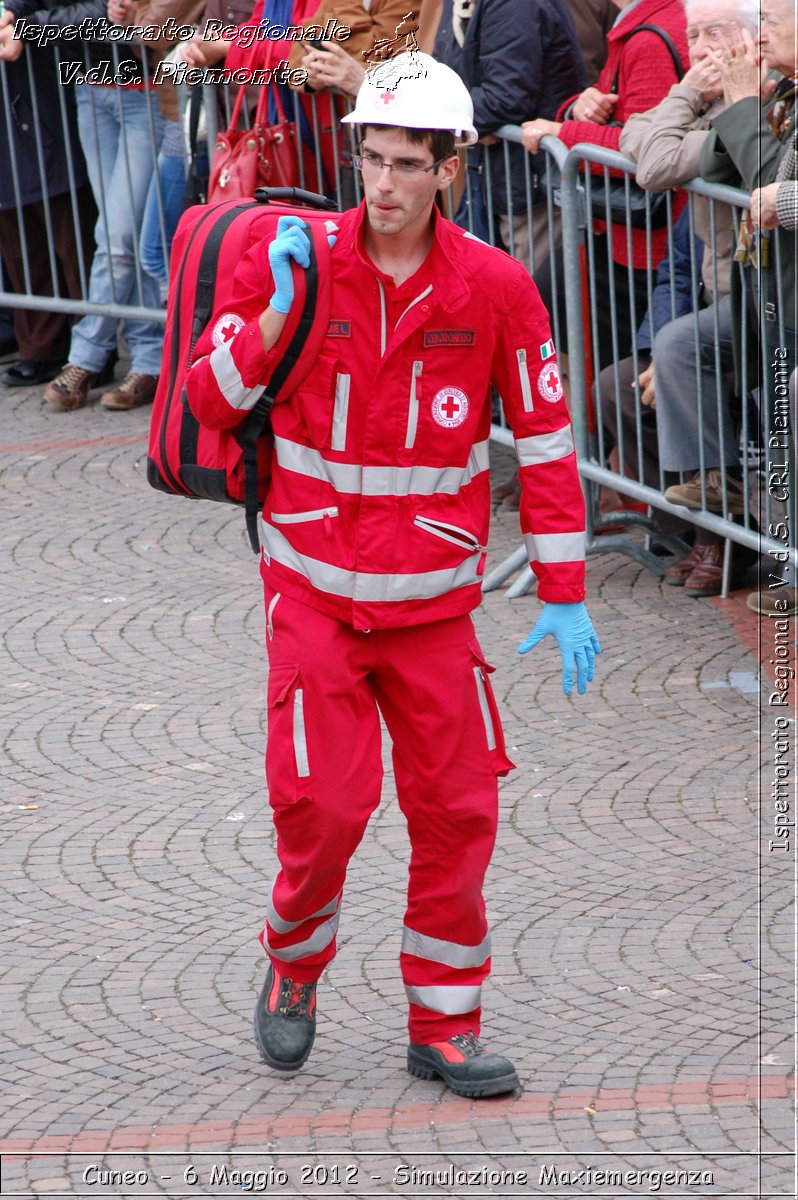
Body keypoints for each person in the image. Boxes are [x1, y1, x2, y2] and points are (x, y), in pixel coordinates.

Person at [186, 51, 600, 1097]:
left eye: (408, 165)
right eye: (370, 159)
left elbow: (545, 442)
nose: (382, 185)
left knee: (460, 812)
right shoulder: (293, 257)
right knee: (323, 810)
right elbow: (210, 399)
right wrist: (276, 312)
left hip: (432, 607)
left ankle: (444, 1026)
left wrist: (563, 590)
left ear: (451, 170)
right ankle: (293, 969)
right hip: (316, 587)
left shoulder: (497, 288)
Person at [618, 0, 761, 595]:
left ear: (754, 40)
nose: (699, 48)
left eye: (714, 34)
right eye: (692, 35)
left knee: (678, 354)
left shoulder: (751, 114)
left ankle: (722, 541)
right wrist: (686, 93)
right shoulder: (707, 107)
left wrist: (685, 98)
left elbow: (650, 164)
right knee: (626, 383)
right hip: (723, 304)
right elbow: (632, 134)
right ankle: (699, 534)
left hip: (765, 305)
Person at [0, 0, 167, 412]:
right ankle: (149, 358)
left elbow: (110, 11)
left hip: (144, 91)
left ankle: (86, 355)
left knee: (117, 234)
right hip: (91, 90)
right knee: (121, 234)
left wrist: (30, 26)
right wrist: (12, 10)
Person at [521, 0, 689, 372]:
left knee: (623, 373)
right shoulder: (640, 23)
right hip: (631, 238)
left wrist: (562, 131)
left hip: (648, 245)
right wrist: (576, 107)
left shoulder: (653, 37)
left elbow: (643, 152)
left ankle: (591, 427)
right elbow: (608, 107)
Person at [433, 0, 585, 271]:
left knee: (529, 296)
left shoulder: (515, 5)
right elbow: (441, 79)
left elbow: (503, 99)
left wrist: (463, 119)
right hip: (496, 176)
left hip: (532, 183)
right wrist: (472, 124)